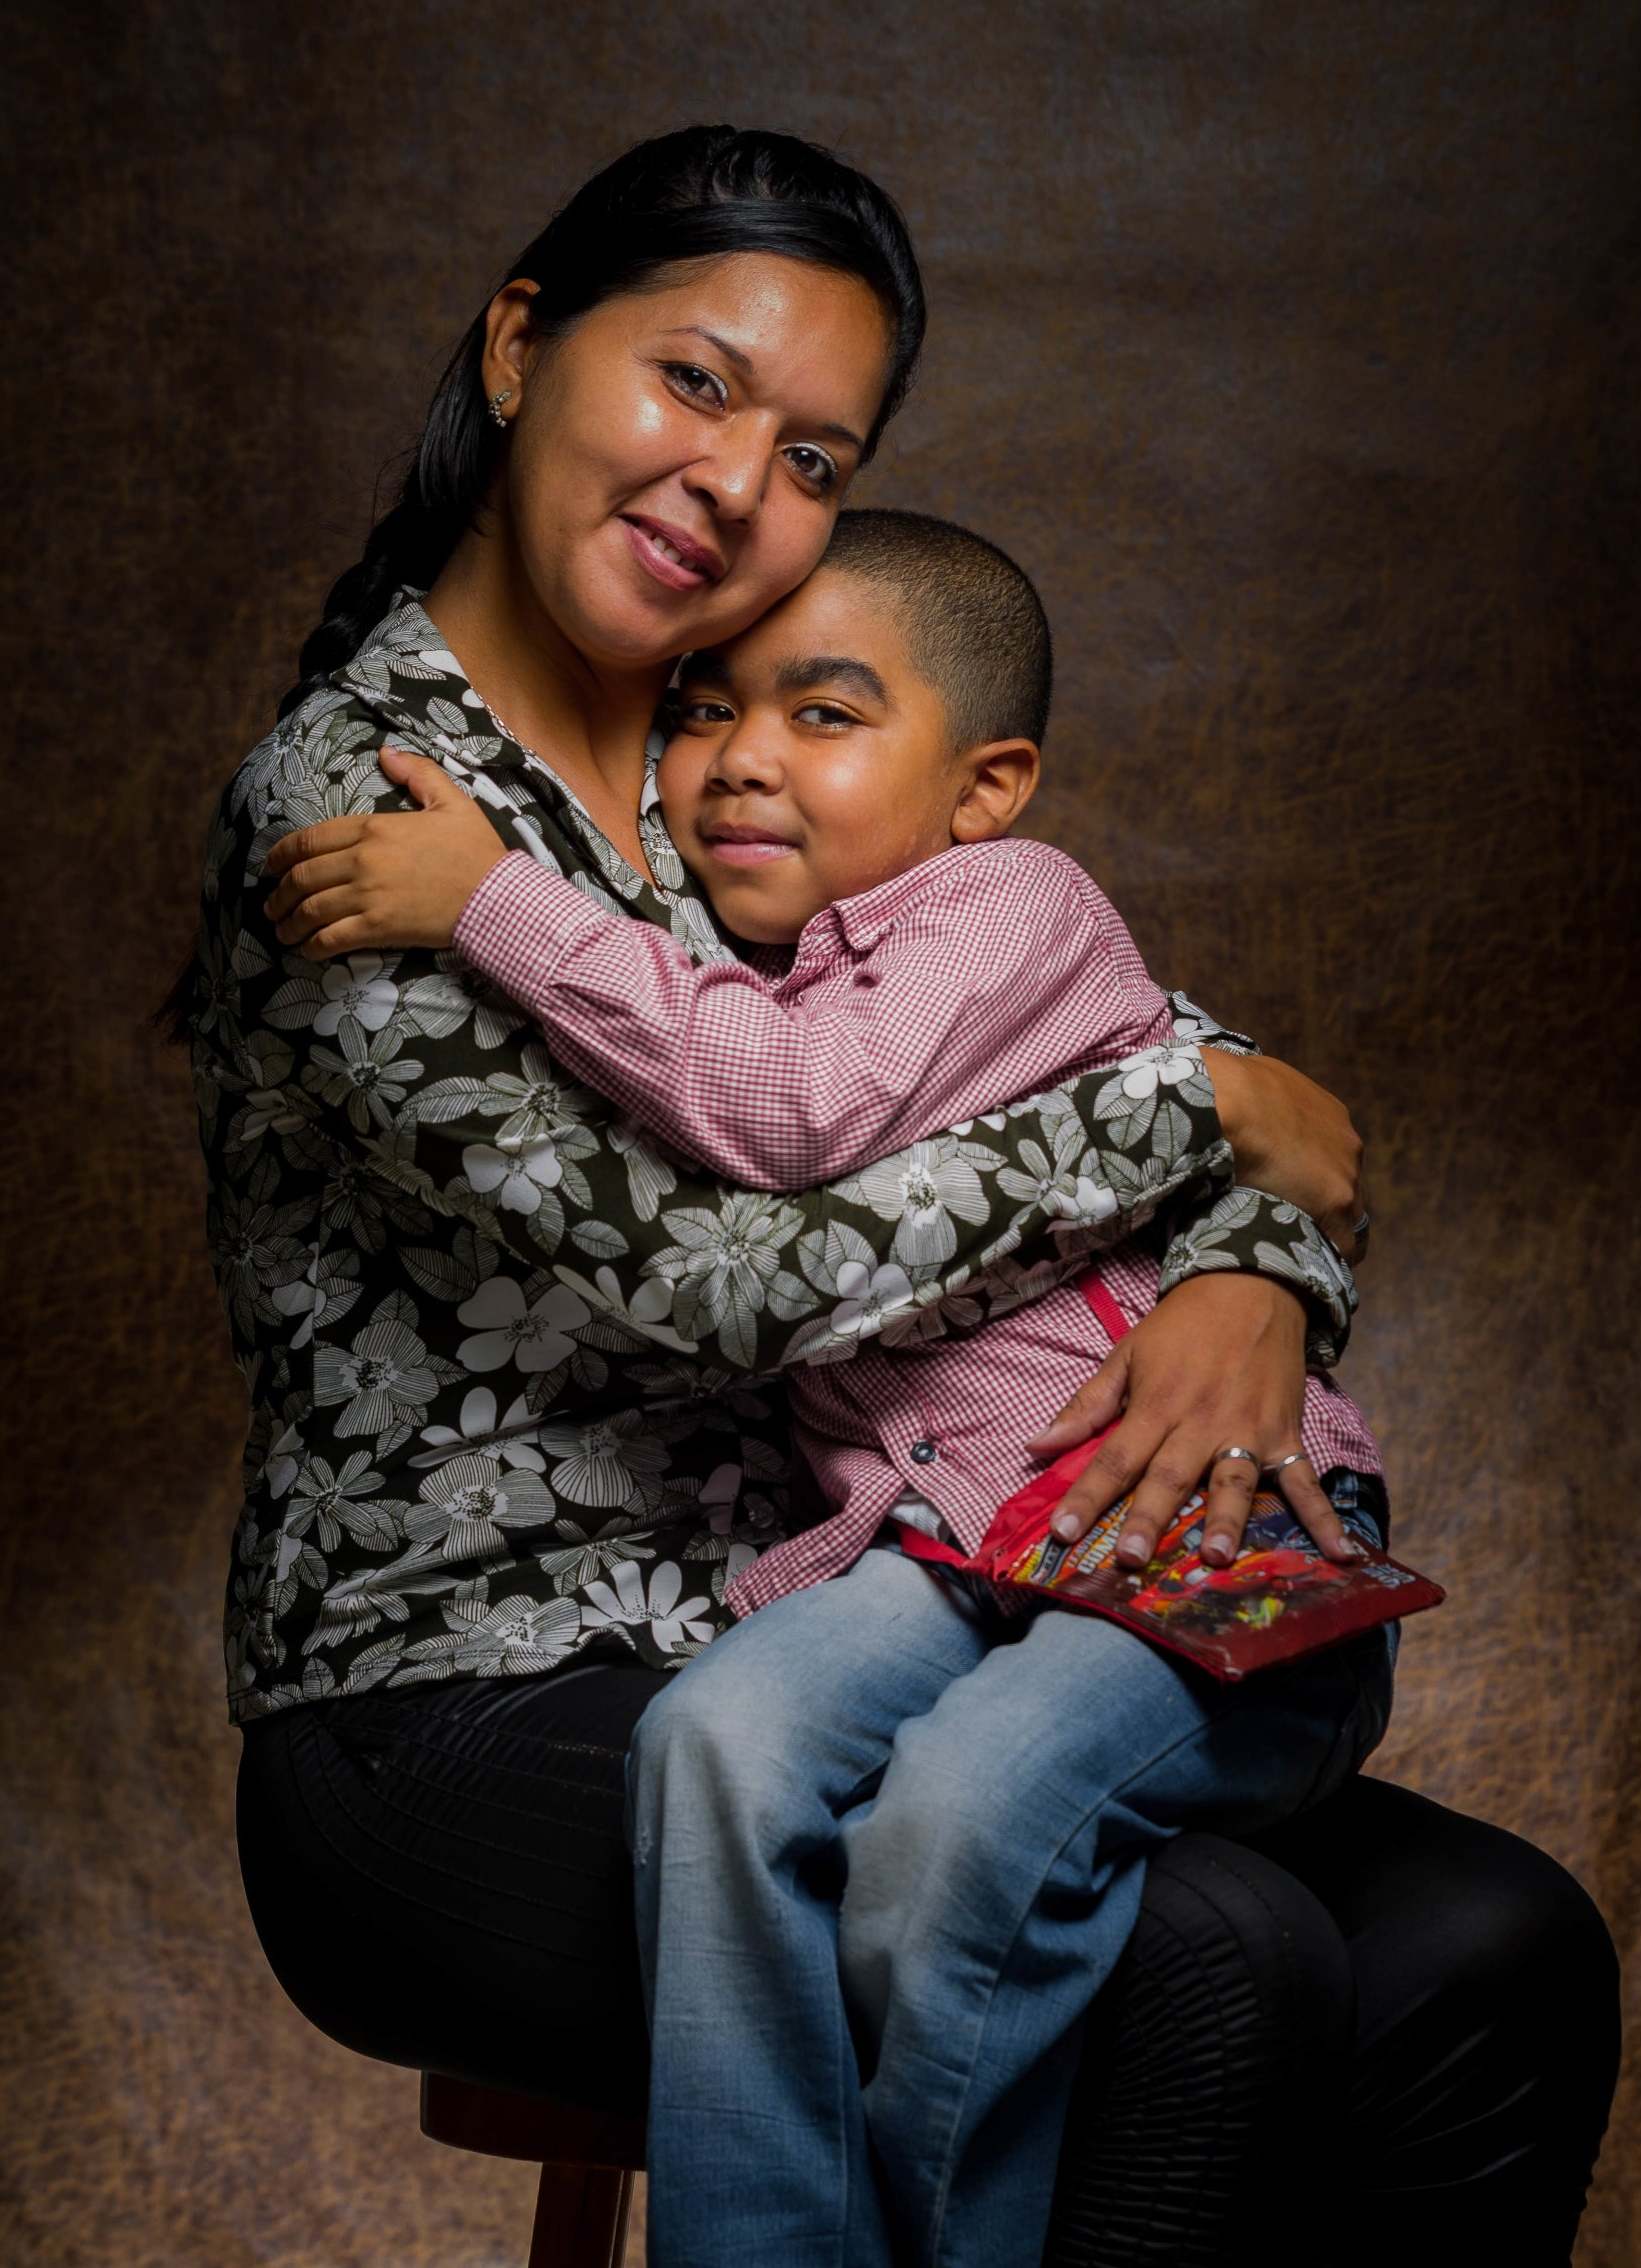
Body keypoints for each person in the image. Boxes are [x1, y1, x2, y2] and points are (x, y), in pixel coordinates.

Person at [184, 120, 1505, 2263]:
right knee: (1211, 1963)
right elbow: (738, 1282)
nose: (741, 486)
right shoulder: (371, 810)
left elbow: (1120, 1027)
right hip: (456, 1702)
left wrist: (1252, 1284)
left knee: (1485, 1945)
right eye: (696, 383)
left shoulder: (730, 758)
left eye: (818, 452)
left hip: (884, 1601)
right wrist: (1211, 1137)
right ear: (519, 346)